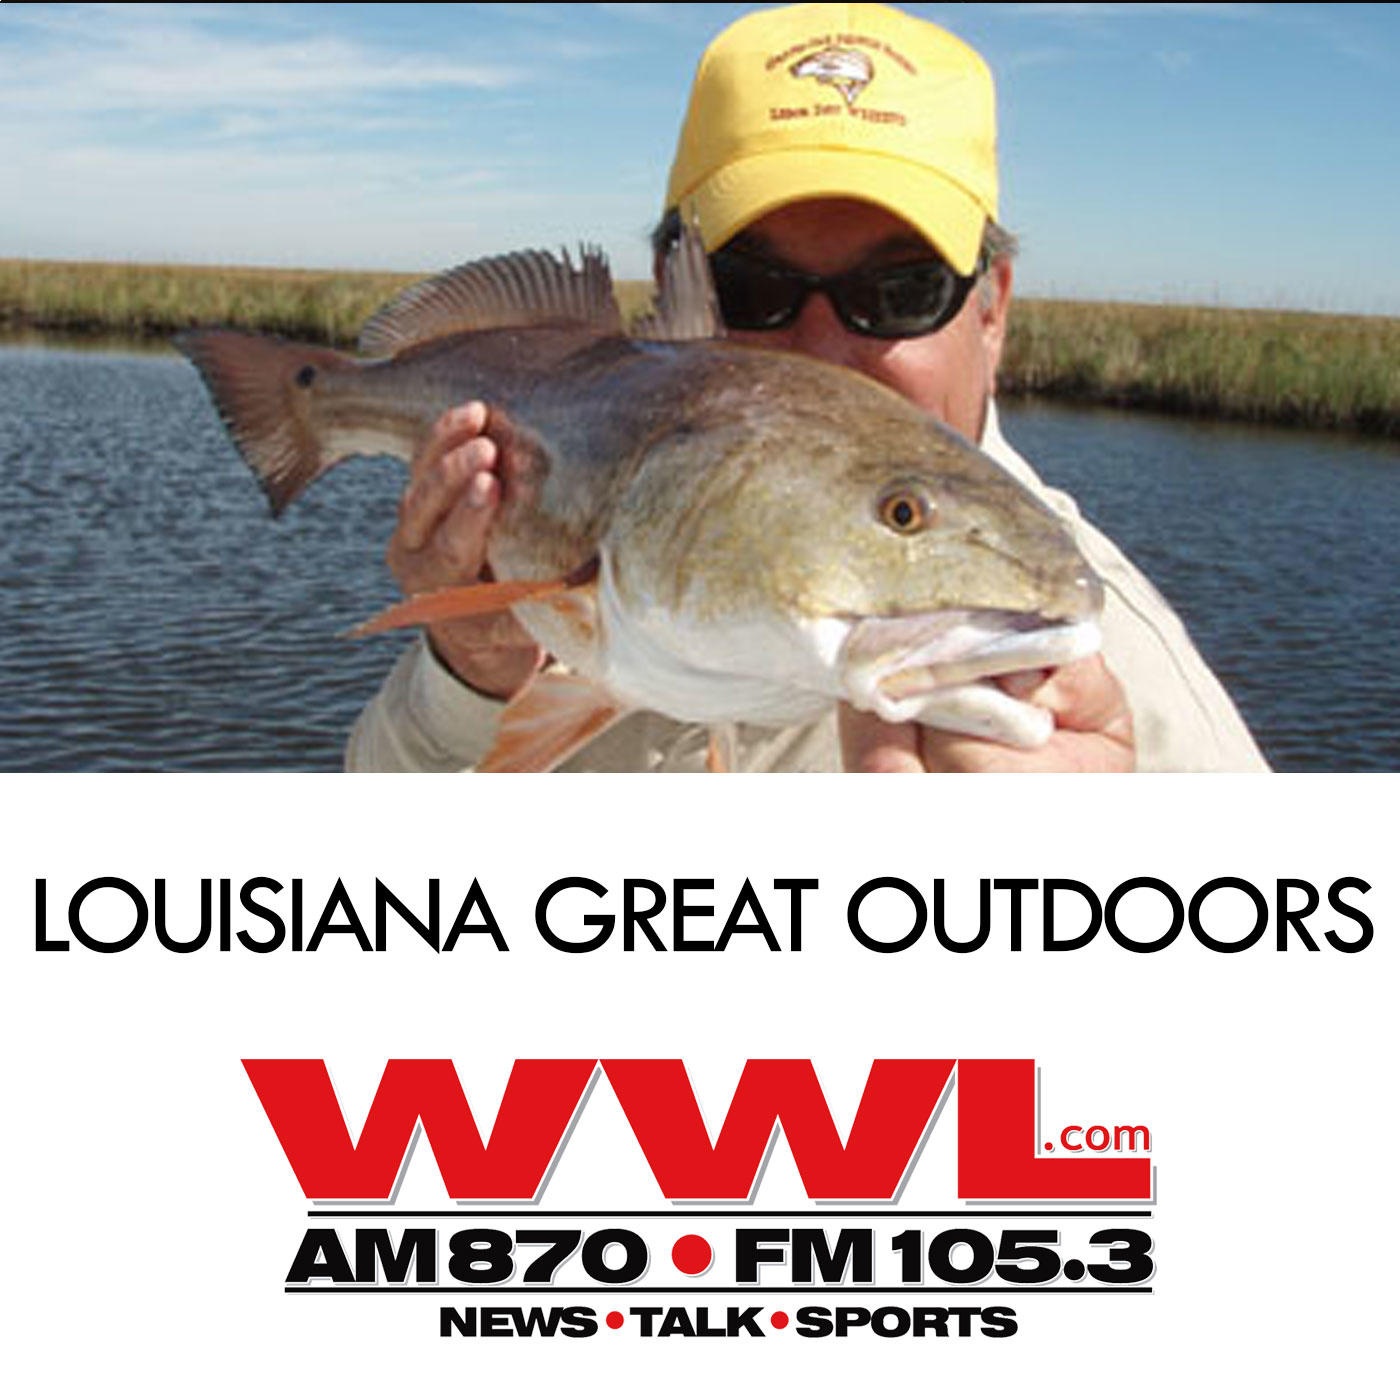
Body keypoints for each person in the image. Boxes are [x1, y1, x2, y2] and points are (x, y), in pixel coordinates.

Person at [346, 1, 1267, 774]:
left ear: (992, 311)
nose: (819, 346)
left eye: (898, 292)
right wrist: (470, 675)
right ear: (673, 289)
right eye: (754, 285)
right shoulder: (581, 512)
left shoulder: (1131, 704)